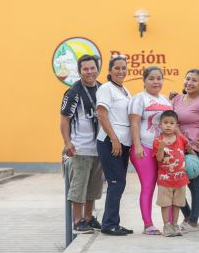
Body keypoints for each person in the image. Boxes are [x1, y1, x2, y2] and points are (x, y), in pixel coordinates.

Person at [60, 54, 103, 234]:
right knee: (78, 186)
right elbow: (64, 119)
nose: (89, 72)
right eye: (85, 69)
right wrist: (67, 142)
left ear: (97, 68)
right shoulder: (73, 92)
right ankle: (78, 221)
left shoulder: (102, 89)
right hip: (80, 148)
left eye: (92, 68)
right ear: (79, 72)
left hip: (98, 148)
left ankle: (88, 217)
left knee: (93, 186)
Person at [129, 66, 173, 235]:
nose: (156, 82)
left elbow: (171, 125)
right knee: (148, 186)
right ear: (144, 81)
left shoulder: (165, 100)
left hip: (162, 150)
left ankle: (169, 223)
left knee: (166, 186)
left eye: (159, 78)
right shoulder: (139, 99)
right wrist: (137, 145)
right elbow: (134, 124)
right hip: (144, 149)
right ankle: (148, 224)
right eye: (151, 78)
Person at [96, 55, 134, 236]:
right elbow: (102, 115)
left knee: (119, 183)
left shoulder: (125, 90)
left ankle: (114, 222)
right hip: (110, 142)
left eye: (124, 68)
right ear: (110, 71)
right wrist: (114, 139)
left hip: (123, 143)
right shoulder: (106, 89)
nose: (121, 71)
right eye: (117, 68)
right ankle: (109, 224)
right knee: (115, 182)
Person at [172, 70, 199, 233]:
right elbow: (171, 120)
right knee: (177, 183)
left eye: (194, 80)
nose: (190, 83)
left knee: (194, 185)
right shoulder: (176, 99)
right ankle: (188, 215)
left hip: (196, 147)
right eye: (187, 79)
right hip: (177, 145)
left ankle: (194, 221)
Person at [153, 110, 194, 237]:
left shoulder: (181, 139)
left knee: (177, 204)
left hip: (180, 180)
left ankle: (175, 225)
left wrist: (192, 154)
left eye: (172, 123)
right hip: (165, 180)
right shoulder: (158, 141)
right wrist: (161, 148)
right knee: (165, 204)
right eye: (165, 123)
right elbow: (159, 159)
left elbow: (190, 152)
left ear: (176, 126)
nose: (168, 125)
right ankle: (167, 226)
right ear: (160, 125)